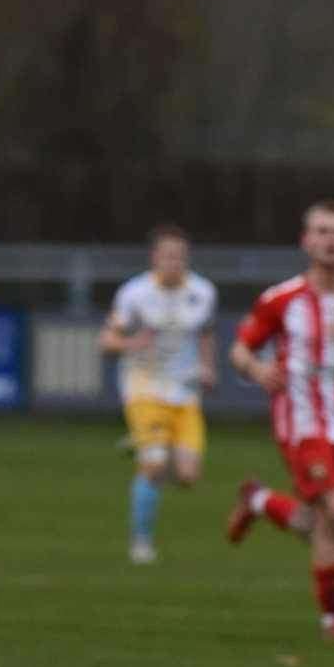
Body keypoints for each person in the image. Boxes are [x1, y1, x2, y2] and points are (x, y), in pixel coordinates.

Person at [224, 201, 334, 643]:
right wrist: (258, 370)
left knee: (324, 523)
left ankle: (260, 500)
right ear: (306, 241)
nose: (330, 240)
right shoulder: (281, 299)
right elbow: (240, 350)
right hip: (300, 421)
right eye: (321, 231)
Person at [97, 226, 217, 565]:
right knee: (154, 466)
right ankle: (141, 541)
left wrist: (208, 367)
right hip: (144, 388)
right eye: (167, 256)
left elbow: (206, 332)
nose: (173, 262)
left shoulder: (203, 292)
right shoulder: (134, 294)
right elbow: (105, 341)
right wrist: (131, 343)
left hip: (185, 393)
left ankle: (145, 445)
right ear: (154, 258)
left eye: (179, 256)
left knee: (189, 476)